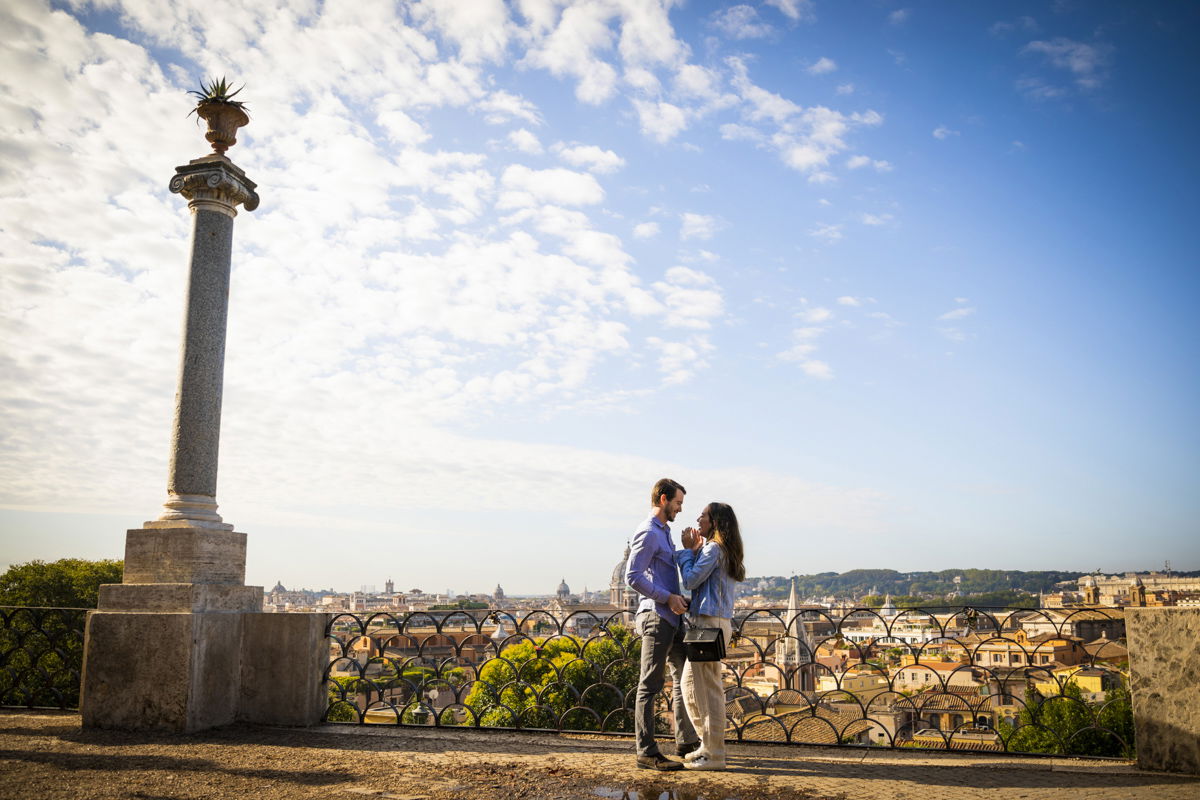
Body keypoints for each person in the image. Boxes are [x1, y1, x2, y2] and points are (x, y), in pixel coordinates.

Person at [625, 478, 700, 771]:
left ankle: (686, 741)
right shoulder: (648, 532)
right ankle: (646, 751)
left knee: (683, 680)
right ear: (664, 498)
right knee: (650, 684)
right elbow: (633, 576)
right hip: (657, 617)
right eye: (678, 503)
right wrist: (667, 597)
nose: (680, 509)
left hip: (672, 617)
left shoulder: (664, 533)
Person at [676, 502, 745, 771]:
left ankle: (715, 754)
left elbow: (691, 581)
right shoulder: (720, 549)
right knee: (689, 686)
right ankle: (707, 746)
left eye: (702, 515)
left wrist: (687, 552)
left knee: (709, 690)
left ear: (714, 521)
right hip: (710, 621)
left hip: (709, 623)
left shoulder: (713, 549)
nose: (697, 519)